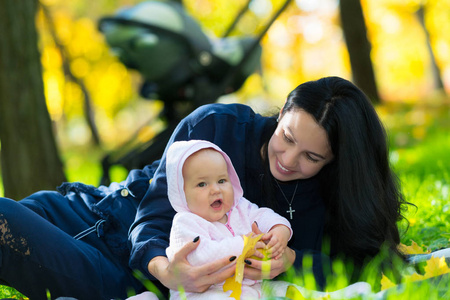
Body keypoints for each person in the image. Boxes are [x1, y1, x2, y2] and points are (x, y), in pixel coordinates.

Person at [0, 76, 409, 299]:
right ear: (282, 111)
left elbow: (374, 265)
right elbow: (152, 219)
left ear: (337, 161)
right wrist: (168, 271)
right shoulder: (215, 127)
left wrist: (292, 262)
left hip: (117, 275)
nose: (288, 160)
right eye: (287, 137)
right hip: (99, 225)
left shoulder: (336, 197)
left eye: (311, 158)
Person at [165, 140, 292, 299]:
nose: (216, 189)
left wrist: (280, 229)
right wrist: (243, 245)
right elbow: (200, 256)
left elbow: (263, 215)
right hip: (205, 292)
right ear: (181, 193)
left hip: (247, 286)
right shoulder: (184, 223)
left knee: (284, 289)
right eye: (202, 184)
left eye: (222, 181)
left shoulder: (239, 208)